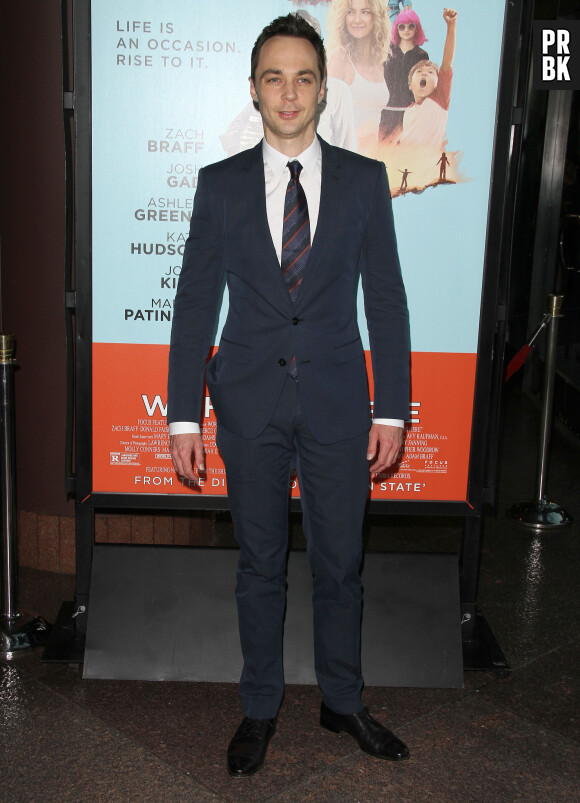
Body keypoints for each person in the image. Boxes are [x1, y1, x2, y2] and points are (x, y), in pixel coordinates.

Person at [168, 12, 410, 778]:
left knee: (341, 564)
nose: (289, 91)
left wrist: (393, 406)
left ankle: (342, 700)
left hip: (340, 399)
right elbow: (194, 301)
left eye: (304, 76)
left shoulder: (365, 181)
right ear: (254, 89)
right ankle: (261, 706)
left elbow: (390, 302)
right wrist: (183, 413)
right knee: (260, 566)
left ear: (322, 88)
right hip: (250, 404)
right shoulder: (220, 185)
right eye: (274, 76)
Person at [326, 0, 391, 150]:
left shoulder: (379, 62)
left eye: (365, 12)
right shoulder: (339, 58)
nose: (357, 20)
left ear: (376, 17)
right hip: (345, 160)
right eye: (350, 12)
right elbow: (324, 121)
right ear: (343, 17)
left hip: (371, 159)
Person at [399, 8, 457, 150]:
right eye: (419, 71)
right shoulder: (409, 110)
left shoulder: (439, 100)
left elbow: (447, 63)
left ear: (438, 84)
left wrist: (451, 26)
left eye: (431, 72)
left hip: (425, 165)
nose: (424, 73)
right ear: (410, 85)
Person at [379, 9, 428, 142]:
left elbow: (424, 85)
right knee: (384, 151)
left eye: (410, 26)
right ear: (397, 29)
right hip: (388, 109)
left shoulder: (421, 55)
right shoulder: (387, 52)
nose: (406, 30)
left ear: (416, 29)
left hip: (410, 112)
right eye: (402, 26)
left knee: (407, 152)